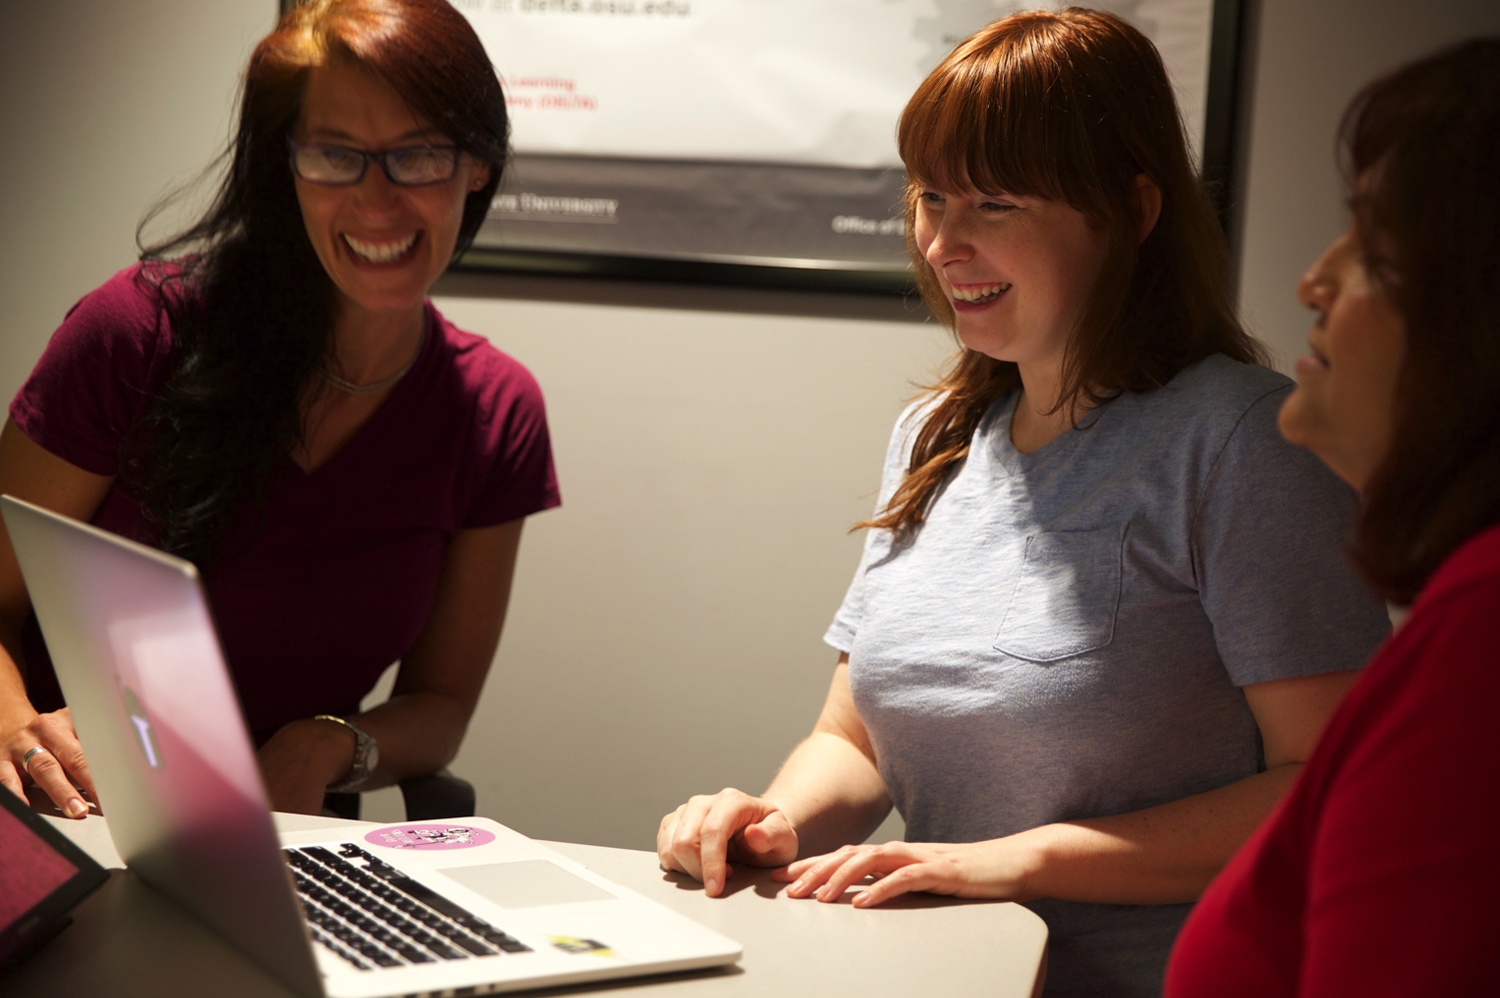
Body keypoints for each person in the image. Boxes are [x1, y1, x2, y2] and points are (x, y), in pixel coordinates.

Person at [657, 10, 1391, 997]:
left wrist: (1013, 857)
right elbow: (856, 735)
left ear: (1130, 211)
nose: (944, 242)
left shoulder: (1243, 437)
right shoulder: (935, 435)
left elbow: (1330, 785)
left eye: (993, 203)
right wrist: (774, 821)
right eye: (929, 198)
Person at [0, 0, 558, 819]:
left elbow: (439, 708)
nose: (378, 201)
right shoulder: (135, 332)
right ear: (285, 167)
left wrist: (331, 741)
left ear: (477, 164)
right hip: (70, 820)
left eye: (419, 155)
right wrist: (14, 728)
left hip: (287, 850)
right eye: (336, 155)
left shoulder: (496, 409)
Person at [1164, 38, 1500, 998]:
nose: (1315, 279)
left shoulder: (1484, 640)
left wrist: (1028, 856)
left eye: (1378, 253)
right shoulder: (936, 432)